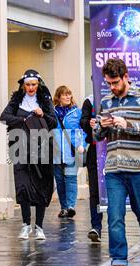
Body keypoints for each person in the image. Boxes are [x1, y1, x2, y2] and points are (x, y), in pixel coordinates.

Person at [94, 58, 140, 266]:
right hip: (114, 168)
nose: (111, 87)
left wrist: (128, 124)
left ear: (125, 77)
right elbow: (98, 136)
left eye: (115, 82)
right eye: (108, 83)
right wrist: (99, 128)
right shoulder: (106, 101)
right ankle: (119, 263)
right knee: (114, 216)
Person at [0, 69, 57, 241]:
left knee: (41, 186)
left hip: (42, 149)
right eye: (27, 85)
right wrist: (23, 121)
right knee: (23, 187)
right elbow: (3, 117)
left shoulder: (45, 101)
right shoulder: (17, 101)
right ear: (23, 85)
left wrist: (42, 114)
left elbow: (54, 122)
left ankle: (39, 226)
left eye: (33, 84)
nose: (31, 88)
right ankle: (26, 225)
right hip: (20, 148)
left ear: (38, 84)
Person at [52, 85, 86, 219]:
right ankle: (64, 208)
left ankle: (71, 206)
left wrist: (82, 144)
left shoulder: (77, 113)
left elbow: (84, 131)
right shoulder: (52, 112)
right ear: (58, 97)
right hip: (56, 153)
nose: (67, 97)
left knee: (70, 179)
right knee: (60, 181)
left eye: (69, 94)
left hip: (72, 152)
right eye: (64, 94)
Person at [80, 92, 103, 243]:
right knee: (94, 190)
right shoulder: (89, 100)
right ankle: (96, 226)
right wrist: (89, 123)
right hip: (95, 151)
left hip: (114, 151)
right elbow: (82, 121)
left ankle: (116, 225)